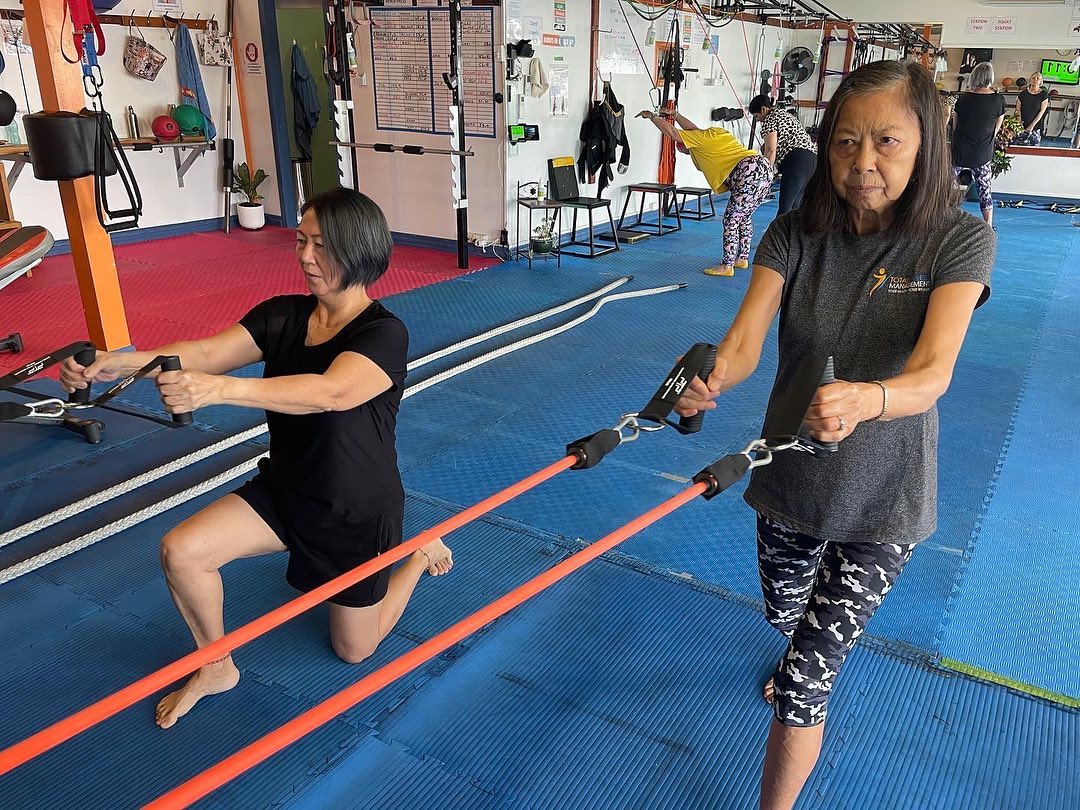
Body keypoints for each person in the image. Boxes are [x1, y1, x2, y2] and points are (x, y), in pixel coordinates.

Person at [673, 60, 994, 809]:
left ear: (927, 144)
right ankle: (801, 642)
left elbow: (933, 372)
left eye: (887, 141)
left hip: (886, 496)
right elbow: (746, 343)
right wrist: (709, 375)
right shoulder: (794, 233)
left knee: (807, 677)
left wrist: (869, 398)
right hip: (790, 479)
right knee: (786, 617)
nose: (863, 163)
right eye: (846, 142)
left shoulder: (956, 240)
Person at [60, 187, 454, 729]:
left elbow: (330, 392)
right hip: (285, 492)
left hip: (353, 511)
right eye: (301, 241)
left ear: (358, 250)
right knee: (182, 551)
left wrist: (218, 391)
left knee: (353, 651)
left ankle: (412, 555)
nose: (306, 257)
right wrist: (115, 362)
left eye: (322, 245)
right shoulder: (282, 315)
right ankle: (215, 664)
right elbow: (202, 353)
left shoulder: (384, 333)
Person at [637, 109, 773, 277]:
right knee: (744, 216)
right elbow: (692, 129)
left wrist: (652, 117)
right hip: (764, 167)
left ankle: (727, 266)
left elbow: (673, 133)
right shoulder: (710, 134)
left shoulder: (697, 143)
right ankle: (742, 258)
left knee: (731, 219)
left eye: (686, 150)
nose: (687, 152)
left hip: (747, 171)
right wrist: (676, 115)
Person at [951, 61, 1006, 226]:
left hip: (959, 151)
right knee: (985, 191)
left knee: (943, 187)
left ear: (974, 76)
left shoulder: (963, 99)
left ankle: (934, 220)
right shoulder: (999, 100)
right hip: (982, 154)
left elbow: (955, 125)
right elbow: (996, 128)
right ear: (990, 78)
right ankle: (988, 226)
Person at [748, 95, 817, 216]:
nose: (758, 120)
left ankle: (778, 234)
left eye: (756, 116)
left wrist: (767, 174)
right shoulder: (785, 115)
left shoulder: (770, 119)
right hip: (813, 161)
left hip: (797, 161)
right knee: (796, 208)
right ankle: (793, 234)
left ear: (764, 109)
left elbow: (770, 150)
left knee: (785, 208)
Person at [1015, 72, 1050, 146]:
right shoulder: (1023, 94)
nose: (1035, 80)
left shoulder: (1043, 95)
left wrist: (1031, 126)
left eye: (1038, 78)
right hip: (1021, 126)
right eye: (1033, 78)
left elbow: (1041, 112)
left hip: (1035, 127)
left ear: (1040, 81)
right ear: (1030, 80)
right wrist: (1020, 124)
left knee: (1033, 149)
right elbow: (1018, 110)